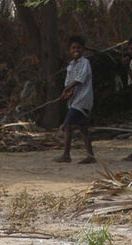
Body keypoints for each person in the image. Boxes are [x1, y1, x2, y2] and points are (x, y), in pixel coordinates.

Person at [54, 36, 96, 164]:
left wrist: (67, 89)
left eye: (78, 47)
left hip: (83, 99)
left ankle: (66, 155)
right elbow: (69, 83)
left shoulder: (85, 63)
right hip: (75, 99)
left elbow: (80, 79)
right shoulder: (71, 65)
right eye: (73, 48)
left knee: (67, 125)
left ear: (83, 49)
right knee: (83, 128)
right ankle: (90, 156)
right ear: (70, 50)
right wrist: (68, 92)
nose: (76, 50)